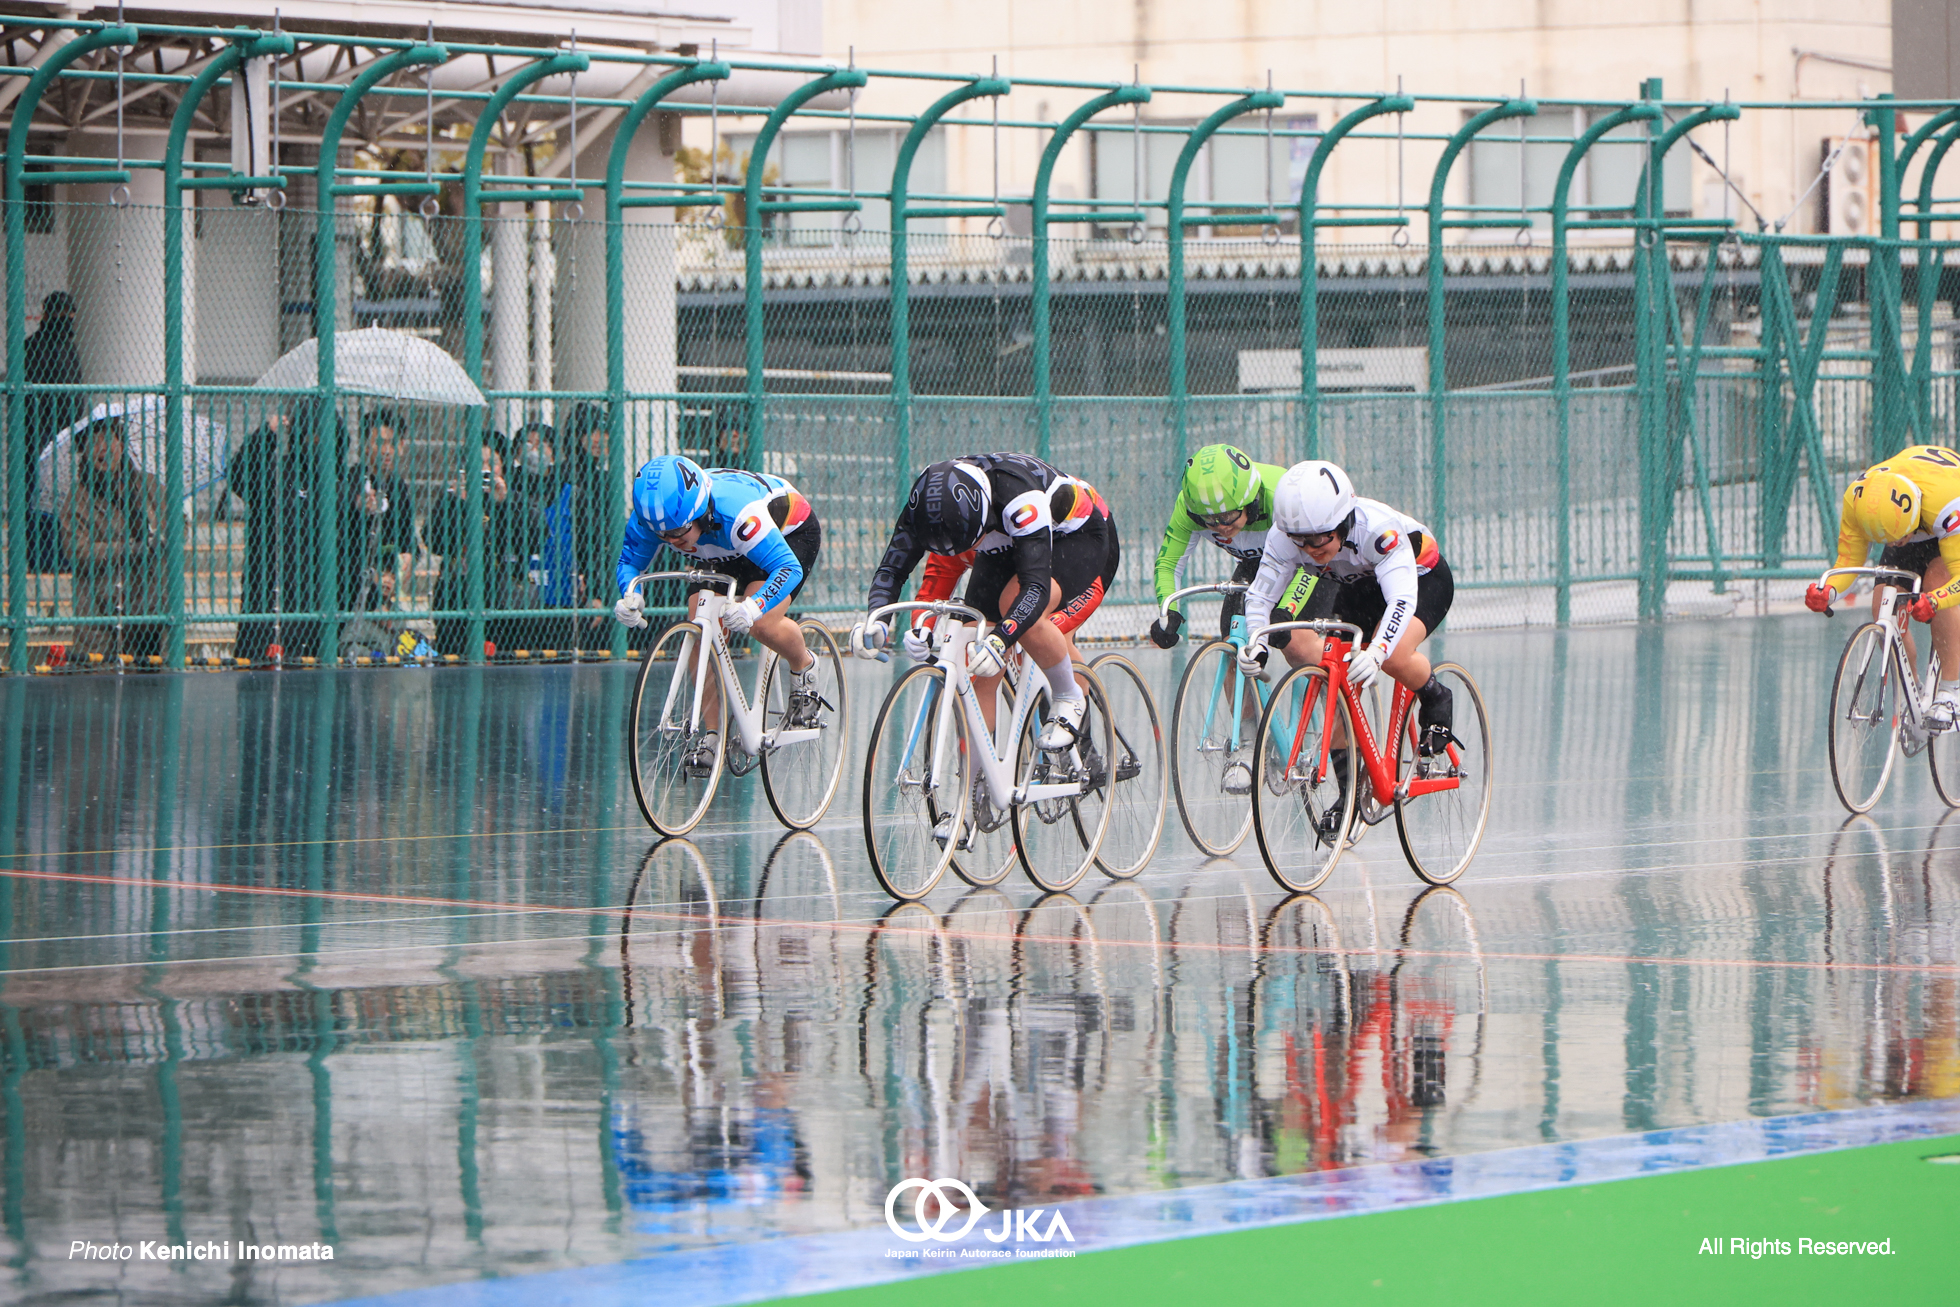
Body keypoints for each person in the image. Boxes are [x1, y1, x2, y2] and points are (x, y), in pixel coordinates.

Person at [1239, 460, 1457, 842]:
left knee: (1392, 655)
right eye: (1299, 541)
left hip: (1420, 578)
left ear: (1341, 524)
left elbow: (1401, 601)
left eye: (1317, 540)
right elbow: (1261, 595)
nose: (1307, 549)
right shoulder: (1286, 536)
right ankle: (1350, 792)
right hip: (1356, 583)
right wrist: (1256, 641)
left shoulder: (1378, 531)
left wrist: (1377, 653)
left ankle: (1435, 695)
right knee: (1329, 669)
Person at [853, 453, 1117, 754]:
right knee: (979, 657)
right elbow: (893, 570)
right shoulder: (926, 504)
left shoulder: (1019, 498)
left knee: (1020, 613)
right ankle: (979, 787)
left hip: (1075, 533)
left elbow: (1035, 589)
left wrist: (1003, 638)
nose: (965, 554)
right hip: (1006, 542)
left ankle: (1070, 697)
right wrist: (879, 619)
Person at [612, 455, 825, 770]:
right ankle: (713, 735)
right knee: (701, 631)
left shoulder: (738, 513)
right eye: (663, 537)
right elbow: (631, 563)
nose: (671, 541)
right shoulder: (654, 518)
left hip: (782, 535)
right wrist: (631, 594)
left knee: (762, 625)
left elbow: (787, 568)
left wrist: (754, 606)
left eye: (677, 533)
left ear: (699, 512)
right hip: (718, 544)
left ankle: (804, 666)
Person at [1805, 444, 1960, 722]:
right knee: (1882, 607)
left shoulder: (1947, 506)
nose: (1893, 544)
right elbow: (1847, 562)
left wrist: (1935, 600)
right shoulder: (1859, 499)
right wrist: (1828, 591)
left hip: (1946, 520)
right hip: (1910, 514)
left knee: (1937, 581)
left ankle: (1950, 693)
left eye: (1898, 537)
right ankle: (1913, 691)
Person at [1148, 442, 1297, 647]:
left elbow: (1313, 556)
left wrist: (1287, 609)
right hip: (1254, 564)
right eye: (1210, 519)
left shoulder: (1279, 497)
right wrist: (1169, 611)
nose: (1221, 526)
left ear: (1250, 502)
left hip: (1307, 563)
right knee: (1234, 645)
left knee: (1296, 646)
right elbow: (1168, 565)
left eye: (1228, 515)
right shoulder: (1190, 507)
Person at [227, 401, 341, 661]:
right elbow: (239, 475)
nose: (319, 440)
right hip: (269, 592)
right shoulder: (277, 473)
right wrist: (268, 433)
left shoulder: (333, 482)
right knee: (258, 669)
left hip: (313, 596)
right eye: (314, 432)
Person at [60, 415, 166, 663]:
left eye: (110, 440)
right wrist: (130, 548)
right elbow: (77, 550)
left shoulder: (148, 484)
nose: (103, 449)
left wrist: (161, 536)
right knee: (105, 679)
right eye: (94, 442)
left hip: (151, 600)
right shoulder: (78, 498)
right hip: (102, 604)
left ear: (121, 444)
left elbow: (178, 524)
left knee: (151, 676)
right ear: (84, 452)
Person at [425, 439, 521, 658]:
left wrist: (503, 503)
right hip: (456, 595)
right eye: (478, 462)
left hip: (501, 598)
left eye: (492, 463)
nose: (485, 468)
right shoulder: (453, 497)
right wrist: (458, 502)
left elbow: (529, 540)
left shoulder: (512, 498)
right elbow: (435, 541)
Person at [23, 291, 85, 571]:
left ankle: (55, 557)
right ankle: (42, 558)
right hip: (42, 432)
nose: (68, 321)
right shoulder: (35, 346)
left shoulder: (65, 346)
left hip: (63, 433)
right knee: (41, 497)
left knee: (61, 497)